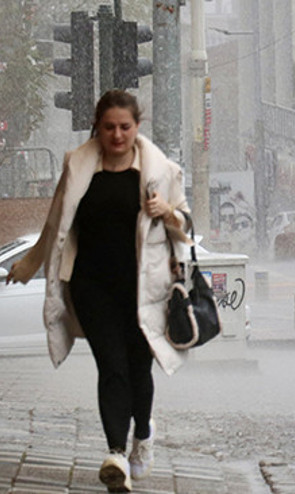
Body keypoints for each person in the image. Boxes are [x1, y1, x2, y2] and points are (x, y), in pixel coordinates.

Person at [6, 90, 191, 492]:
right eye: (109, 127)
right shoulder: (78, 165)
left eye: (125, 127)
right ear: (97, 127)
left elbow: (185, 227)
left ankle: (143, 434)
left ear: (137, 126)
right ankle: (116, 454)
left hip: (144, 289)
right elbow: (55, 222)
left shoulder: (161, 171)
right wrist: (29, 264)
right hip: (92, 287)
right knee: (112, 367)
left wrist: (167, 212)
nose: (117, 135)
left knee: (139, 369)